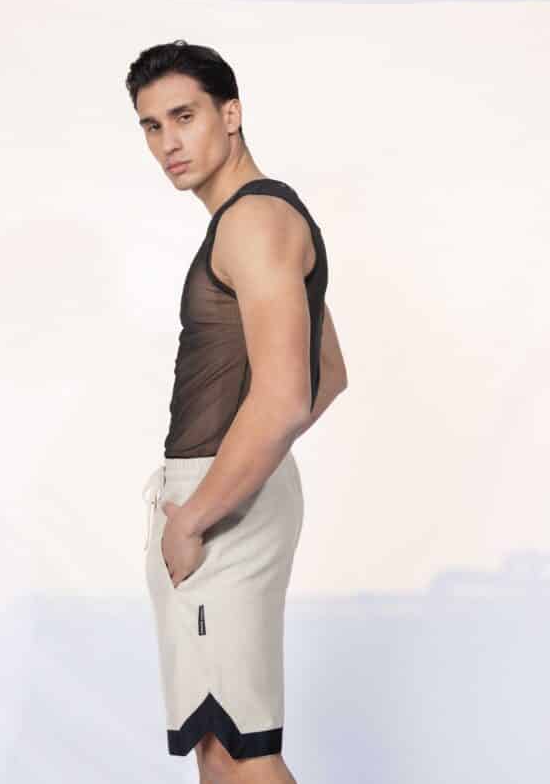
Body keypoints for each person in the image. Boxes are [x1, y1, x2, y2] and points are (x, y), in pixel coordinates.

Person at [125, 40, 347, 783]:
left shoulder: (254, 222)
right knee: (219, 745)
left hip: (219, 503)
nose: (168, 142)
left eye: (183, 116)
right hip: (233, 489)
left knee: (241, 750)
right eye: (152, 125)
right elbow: (328, 374)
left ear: (231, 114)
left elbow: (286, 397)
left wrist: (196, 515)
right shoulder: (260, 219)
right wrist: (252, 465)